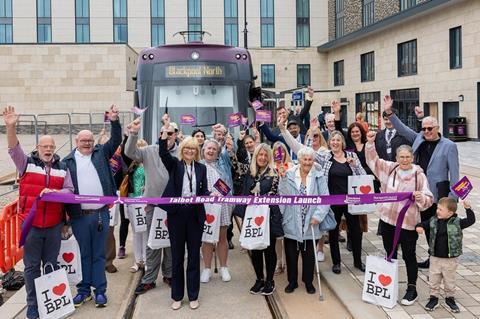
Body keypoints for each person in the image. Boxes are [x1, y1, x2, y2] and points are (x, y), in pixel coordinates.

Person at [3, 106, 74, 319]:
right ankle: (33, 306)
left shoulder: (63, 168)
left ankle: (50, 302)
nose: (49, 149)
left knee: (51, 265)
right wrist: (11, 126)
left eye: (51, 146)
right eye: (45, 146)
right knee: (32, 268)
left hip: (53, 227)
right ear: (38, 147)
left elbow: (70, 193)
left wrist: (54, 192)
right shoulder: (26, 164)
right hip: (31, 227)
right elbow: (14, 149)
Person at [383, 95, 460, 269]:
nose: (426, 131)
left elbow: (455, 175)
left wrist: (452, 201)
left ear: (437, 128)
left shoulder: (449, 146)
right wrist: (389, 112)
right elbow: (402, 129)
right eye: (424, 128)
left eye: (430, 128)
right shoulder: (418, 138)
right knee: (420, 225)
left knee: (435, 229)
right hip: (416, 193)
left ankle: (433, 257)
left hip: (436, 195)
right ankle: (418, 253)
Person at [62, 104, 122, 308]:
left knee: (98, 254)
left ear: (93, 142)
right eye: (83, 140)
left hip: (100, 214)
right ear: (76, 142)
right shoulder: (67, 162)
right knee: (82, 254)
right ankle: (83, 290)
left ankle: (100, 291)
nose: (87, 143)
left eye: (89, 140)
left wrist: (114, 120)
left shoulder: (100, 154)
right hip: (79, 216)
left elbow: (116, 140)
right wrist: (64, 220)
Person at [365, 130, 433, 306]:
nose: (404, 160)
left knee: (409, 255)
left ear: (412, 158)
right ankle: (389, 286)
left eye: (407, 157)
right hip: (388, 221)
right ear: (396, 157)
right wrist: (370, 144)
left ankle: (412, 289)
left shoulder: (419, 175)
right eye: (401, 157)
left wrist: (421, 198)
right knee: (390, 253)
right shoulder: (390, 169)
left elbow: (429, 198)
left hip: (408, 223)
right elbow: (373, 161)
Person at [158, 125, 211, 310]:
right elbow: (163, 154)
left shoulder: (202, 168)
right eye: (187, 148)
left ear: (197, 152)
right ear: (182, 150)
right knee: (177, 256)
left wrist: (209, 195)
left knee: (194, 256)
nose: (189, 151)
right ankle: (177, 295)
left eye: (193, 149)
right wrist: (164, 134)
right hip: (177, 215)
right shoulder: (175, 165)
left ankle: (194, 295)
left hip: (195, 215)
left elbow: (203, 190)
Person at [125, 118, 174, 295]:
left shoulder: (180, 153)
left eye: (170, 134)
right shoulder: (149, 151)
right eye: (164, 133)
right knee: (152, 243)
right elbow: (130, 151)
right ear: (160, 135)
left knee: (170, 243)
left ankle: (169, 274)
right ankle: (149, 279)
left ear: (175, 136)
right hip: (153, 205)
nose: (167, 137)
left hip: (174, 207)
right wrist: (133, 133)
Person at [278, 147, 334, 294]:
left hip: (311, 221)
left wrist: (318, 216)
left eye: (310, 159)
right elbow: (282, 195)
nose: (307, 162)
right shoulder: (289, 174)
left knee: (309, 255)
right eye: (305, 159)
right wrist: (282, 179)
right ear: (299, 160)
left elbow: (325, 198)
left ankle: (308, 281)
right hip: (292, 220)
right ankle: (292, 281)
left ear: (313, 161)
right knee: (291, 254)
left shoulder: (318, 176)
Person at [231, 143, 283, 295]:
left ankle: (269, 281)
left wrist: (260, 198)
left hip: (269, 216)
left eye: (266, 155)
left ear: (269, 157)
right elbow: (236, 167)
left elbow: (273, 193)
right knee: (255, 249)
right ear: (255, 156)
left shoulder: (274, 173)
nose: (262, 157)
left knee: (268, 249)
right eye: (260, 154)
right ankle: (259, 278)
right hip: (252, 216)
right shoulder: (250, 172)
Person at [416, 198, 475, 313]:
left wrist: (468, 208)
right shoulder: (433, 220)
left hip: (450, 259)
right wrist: (420, 226)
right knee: (434, 279)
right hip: (435, 258)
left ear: (450, 213)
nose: (437, 211)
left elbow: (471, 220)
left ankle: (450, 299)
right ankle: (434, 298)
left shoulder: (458, 222)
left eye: (440, 209)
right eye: (437, 208)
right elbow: (424, 223)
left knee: (449, 280)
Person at [200, 139, 234, 283]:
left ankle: (223, 267)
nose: (211, 151)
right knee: (207, 238)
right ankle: (207, 268)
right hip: (204, 206)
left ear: (218, 153)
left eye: (214, 149)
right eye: (208, 148)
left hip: (222, 205)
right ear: (203, 150)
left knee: (222, 237)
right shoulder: (198, 166)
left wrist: (222, 193)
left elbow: (227, 186)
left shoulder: (222, 165)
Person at [127, 138, 148, 273]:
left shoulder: (149, 165)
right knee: (135, 232)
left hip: (144, 200)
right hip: (131, 200)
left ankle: (146, 260)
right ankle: (137, 260)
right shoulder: (131, 165)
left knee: (144, 231)